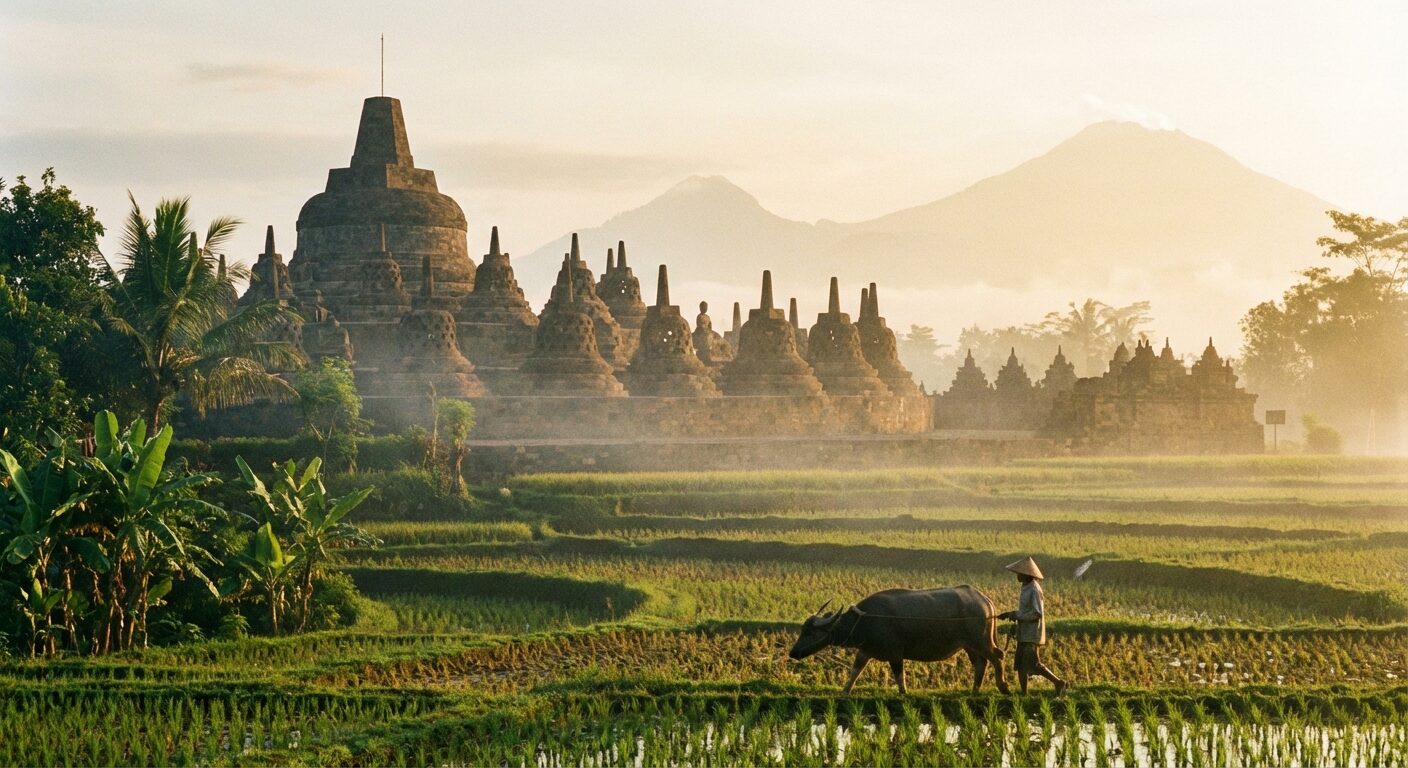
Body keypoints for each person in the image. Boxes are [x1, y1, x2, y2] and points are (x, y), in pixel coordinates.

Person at [997, 556, 1068, 695]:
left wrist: (1014, 615)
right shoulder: (1026, 586)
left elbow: (1036, 614)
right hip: (1023, 632)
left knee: (1034, 665)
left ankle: (1059, 682)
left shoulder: (1034, 589)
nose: (1017, 576)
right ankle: (1024, 693)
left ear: (1026, 574)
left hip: (1031, 633)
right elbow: (1025, 611)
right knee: (1020, 665)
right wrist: (1011, 615)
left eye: (1019, 573)